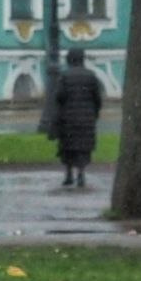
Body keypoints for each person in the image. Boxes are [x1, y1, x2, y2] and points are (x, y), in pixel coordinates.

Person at [53, 48, 103, 187]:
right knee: (83, 147)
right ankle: (81, 174)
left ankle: (68, 175)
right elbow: (97, 98)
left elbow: (59, 96)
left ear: (69, 59)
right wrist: (95, 113)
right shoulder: (91, 76)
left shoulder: (65, 76)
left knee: (67, 146)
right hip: (87, 118)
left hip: (68, 118)